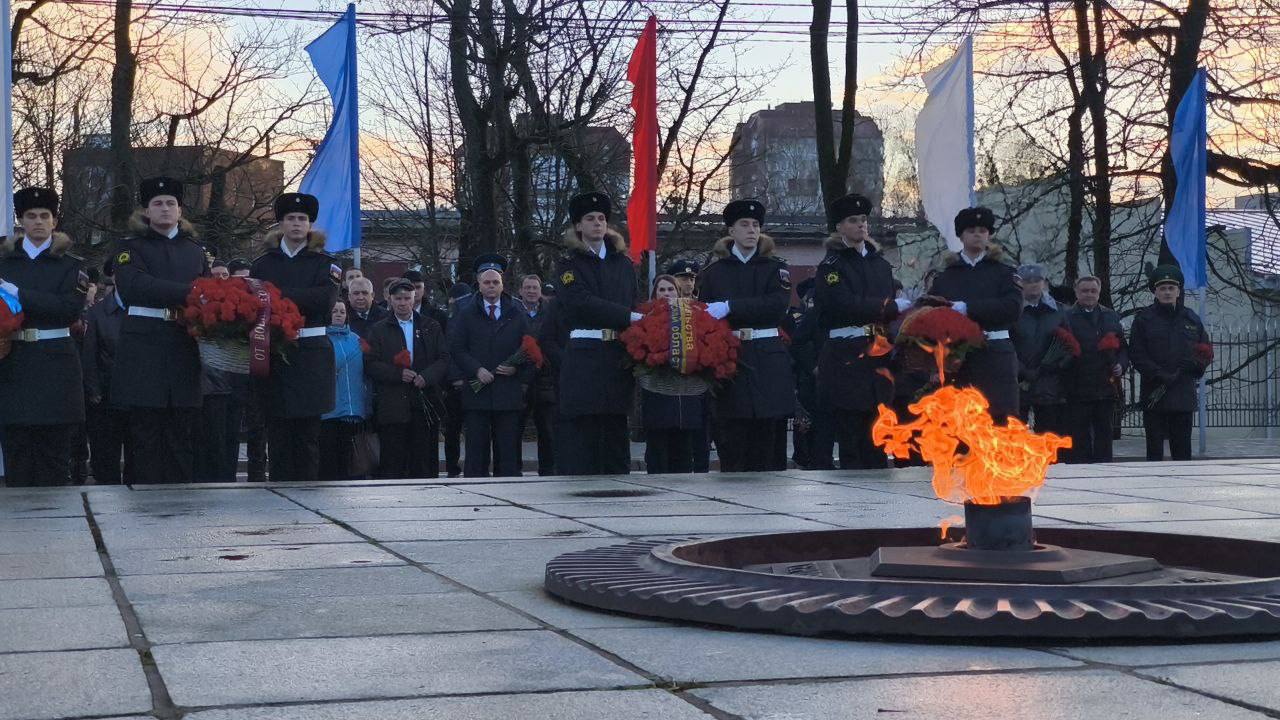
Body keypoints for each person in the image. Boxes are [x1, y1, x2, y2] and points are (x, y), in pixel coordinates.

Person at [111, 177, 207, 484]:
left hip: (183, 347)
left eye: (170, 203)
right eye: (157, 204)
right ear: (146, 211)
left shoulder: (195, 251)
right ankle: (141, 501)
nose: (164, 209)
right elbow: (134, 287)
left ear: (180, 211)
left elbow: (210, 294)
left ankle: (180, 502)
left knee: (181, 434)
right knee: (144, 435)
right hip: (144, 350)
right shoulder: (130, 248)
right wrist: (189, 293)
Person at [697, 199, 795, 472]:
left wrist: (731, 306)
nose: (751, 230)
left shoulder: (775, 269)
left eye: (755, 225)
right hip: (731, 357)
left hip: (766, 356)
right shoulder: (714, 273)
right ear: (731, 231)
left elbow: (776, 305)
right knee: (732, 432)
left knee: (768, 434)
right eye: (744, 224)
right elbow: (705, 315)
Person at [0, 187, 88, 486]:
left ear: (54, 221)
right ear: (20, 221)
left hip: (56, 364)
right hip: (13, 362)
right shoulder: (5, 262)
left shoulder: (70, 264)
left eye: (45, 216)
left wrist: (17, 293)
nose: (38, 221)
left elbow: (67, 309)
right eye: (31, 216)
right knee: (18, 454)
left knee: (54, 456)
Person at [812, 193, 906, 469]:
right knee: (851, 434)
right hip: (847, 356)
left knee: (876, 435)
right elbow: (842, 304)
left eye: (864, 220)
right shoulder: (832, 266)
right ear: (840, 227)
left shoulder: (880, 265)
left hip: (877, 356)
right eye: (853, 221)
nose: (861, 225)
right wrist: (887, 307)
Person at [251, 192, 338, 482]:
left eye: (302, 219)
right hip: (274, 352)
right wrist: (298, 298)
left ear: (310, 224)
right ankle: (278, 490)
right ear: (281, 223)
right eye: (291, 218)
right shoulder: (263, 264)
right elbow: (253, 302)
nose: (297, 224)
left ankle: (308, 491)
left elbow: (323, 301)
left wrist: (276, 295)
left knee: (308, 434)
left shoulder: (325, 263)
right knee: (277, 431)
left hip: (311, 352)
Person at [554, 192, 638, 475]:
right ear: (578, 226)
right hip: (585, 356)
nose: (597, 223)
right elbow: (580, 302)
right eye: (590, 219)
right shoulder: (569, 265)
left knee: (615, 426)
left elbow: (633, 300)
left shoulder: (624, 265)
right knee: (584, 427)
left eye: (602, 218)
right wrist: (628, 316)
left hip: (617, 354)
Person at [927, 207, 1022, 422]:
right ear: (961, 236)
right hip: (960, 359)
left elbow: (1012, 308)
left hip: (995, 355)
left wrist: (968, 308)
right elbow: (934, 315)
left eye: (982, 230)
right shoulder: (945, 277)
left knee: (1000, 420)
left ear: (989, 234)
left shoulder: (1004, 272)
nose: (977, 234)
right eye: (971, 230)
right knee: (962, 423)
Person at [449, 255, 533, 477]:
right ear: (478, 283)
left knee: (508, 450)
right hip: (478, 391)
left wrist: (517, 368)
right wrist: (476, 369)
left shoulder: (517, 310)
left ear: (503, 283)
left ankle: (510, 492)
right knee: (476, 451)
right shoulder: (466, 312)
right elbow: (457, 348)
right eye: (487, 282)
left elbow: (530, 347)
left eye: (495, 282)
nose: (491, 286)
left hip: (508, 392)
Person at [366, 279, 450, 478]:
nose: (402, 303)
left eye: (406, 298)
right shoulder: (379, 329)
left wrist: (427, 377)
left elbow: (444, 358)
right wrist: (397, 374)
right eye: (398, 298)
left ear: (414, 299)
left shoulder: (430, 326)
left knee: (422, 461)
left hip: (424, 402)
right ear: (389, 299)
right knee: (393, 461)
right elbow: (370, 363)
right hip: (393, 404)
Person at [1128, 264, 1209, 461]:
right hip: (1155, 394)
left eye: (1171, 288)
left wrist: (1196, 365)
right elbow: (1137, 353)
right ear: (1155, 291)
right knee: (1155, 452)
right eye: (1162, 288)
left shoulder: (1191, 318)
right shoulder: (1144, 319)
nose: (1167, 292)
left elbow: (1205, 349)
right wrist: (1158, 373)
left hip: (1182, 394)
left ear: (1178, 291)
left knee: (1182, 452)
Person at [640, 275, 707, 474]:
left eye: (671, 290)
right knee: (657, 449)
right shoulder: (645, 317)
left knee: (683, 450)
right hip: (657, 389)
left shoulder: (691, 315)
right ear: (655, 294)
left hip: (686, 393)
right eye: (662, 290)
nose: (667, 294)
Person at [1063, 275, 1127, 462]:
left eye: (1093, 291)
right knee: (1079, 438)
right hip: (1077, 387)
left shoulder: (1111, 316)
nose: (1089, 294)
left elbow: (1123, 348)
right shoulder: (1066, 317)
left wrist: (1120, 365)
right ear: (1076, 292)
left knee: (1104, 437)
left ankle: (1105, 475)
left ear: (1099, 292)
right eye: (1084, 291)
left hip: (1105, 388)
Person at [82, 259, 132, 484]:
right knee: (105, 462)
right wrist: (93, 390)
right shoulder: (97, 313)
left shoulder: (145, 308)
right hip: (105, 398)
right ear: (114, 277)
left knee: (140, 461)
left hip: (139, 397)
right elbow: (89, 354)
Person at [1012, 263, 1072, 436]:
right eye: (1028, 280)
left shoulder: (1059, 311)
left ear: (1044, 282)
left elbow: (1069, 345)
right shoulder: (1012, 311)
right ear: (1020, 283)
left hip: (1049, 383)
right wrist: (1021, 370)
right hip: (1019, 383)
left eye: (1037, 280)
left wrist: (1055, 366)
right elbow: (1005, 343)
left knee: (1048, 435)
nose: (1033, 284)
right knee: (1016, 434)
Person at [321, 299, 372, 480]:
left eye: (342, 312)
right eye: (335, 311)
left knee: (352, 460)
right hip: (329, 410)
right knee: (330, 460)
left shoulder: (357, 339)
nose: (339, 314)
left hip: (353, 409)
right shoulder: (321, 338)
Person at [517, 274, 556, 475]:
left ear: (540, 291)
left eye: (535, 287)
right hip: (519, 379)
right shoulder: (513, 312)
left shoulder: (551, 313)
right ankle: (513, 471)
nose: (531, 291)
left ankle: (548, 471)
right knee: (515, 430)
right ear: (521, 291)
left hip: (545, 380)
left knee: (547, 431)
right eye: (528, 287)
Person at [442, 281, 473, 477]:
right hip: (470, 381)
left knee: (453, 431)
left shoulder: (453, 316)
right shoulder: (464, 315)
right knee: (468, 430)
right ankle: (468, 467)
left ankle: (453, 468)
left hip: (458, 383)